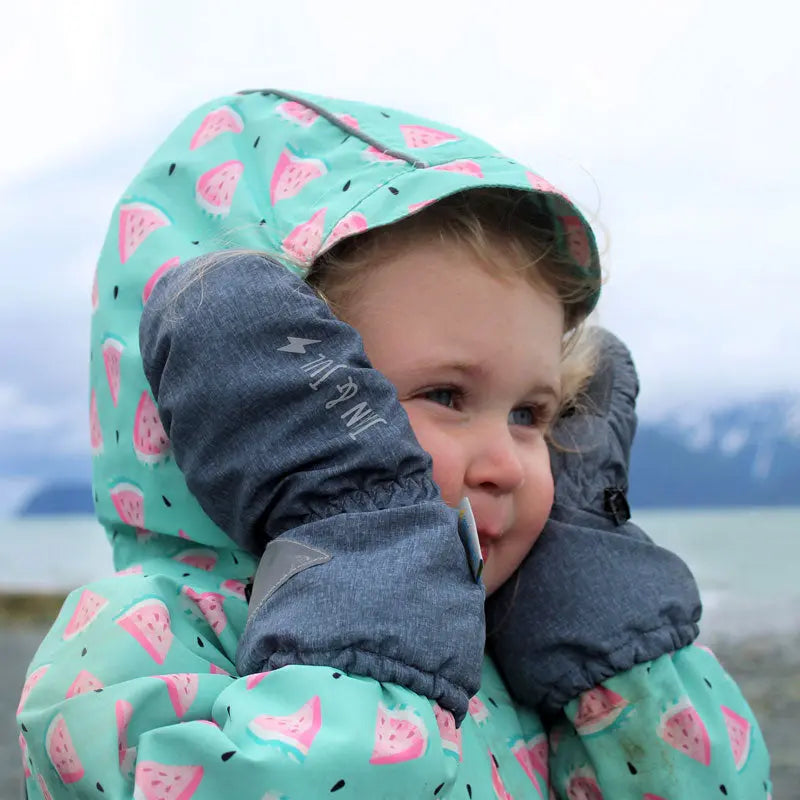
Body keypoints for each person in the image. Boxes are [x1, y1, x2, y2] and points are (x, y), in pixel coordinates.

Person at [16, 88, 771, 799]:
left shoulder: (514, 644)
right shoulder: (133, 646)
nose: (510, 463)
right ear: (263, 393)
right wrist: (365, 592)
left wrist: (610, 639)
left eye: (532, 413)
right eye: (447, 396)